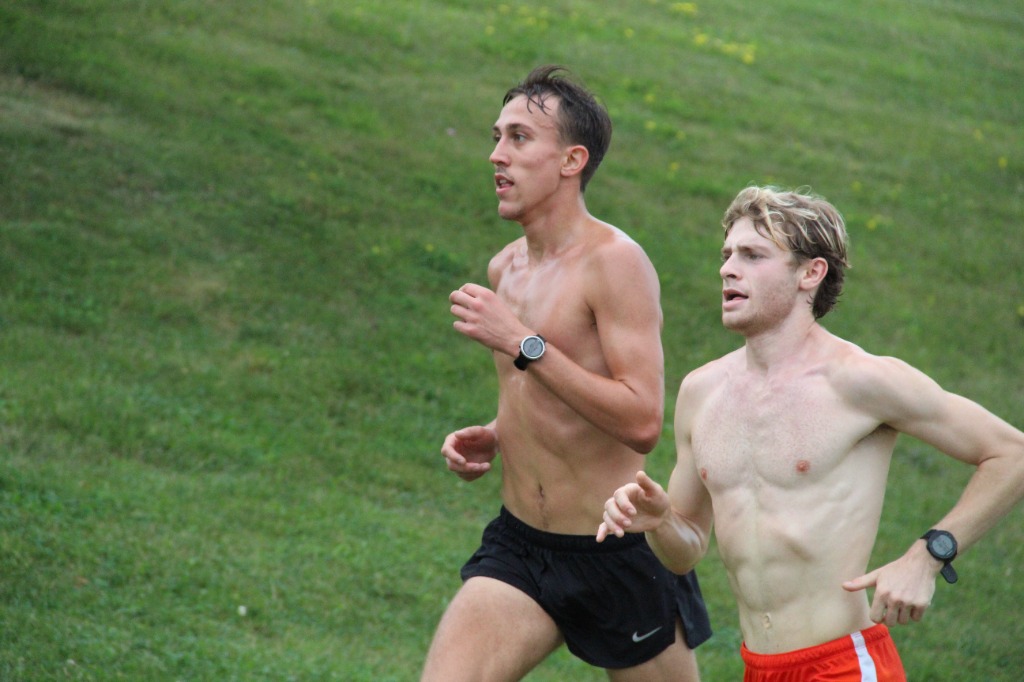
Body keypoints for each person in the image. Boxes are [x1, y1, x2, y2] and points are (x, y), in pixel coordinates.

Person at [597, 185, 1024, 681]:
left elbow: (1011, 454)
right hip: (758, 667)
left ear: (810, 273)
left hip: (844, 663)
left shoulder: (859, 381)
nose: (727, 268)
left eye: (752, 255)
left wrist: (929, 556)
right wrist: (659, 520)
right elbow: (686, 548)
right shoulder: (701, 392)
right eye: (727, 254)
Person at [421, 65, 711, 682]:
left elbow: (640, 420)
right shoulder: (507, 269)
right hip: (521, 546)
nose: (496, 155)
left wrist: (523, 343)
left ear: (571, 160)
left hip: (615, 551)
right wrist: (497, 433)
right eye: (497, 136)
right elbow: (542, 390)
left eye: (520, 138)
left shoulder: (615, 263)